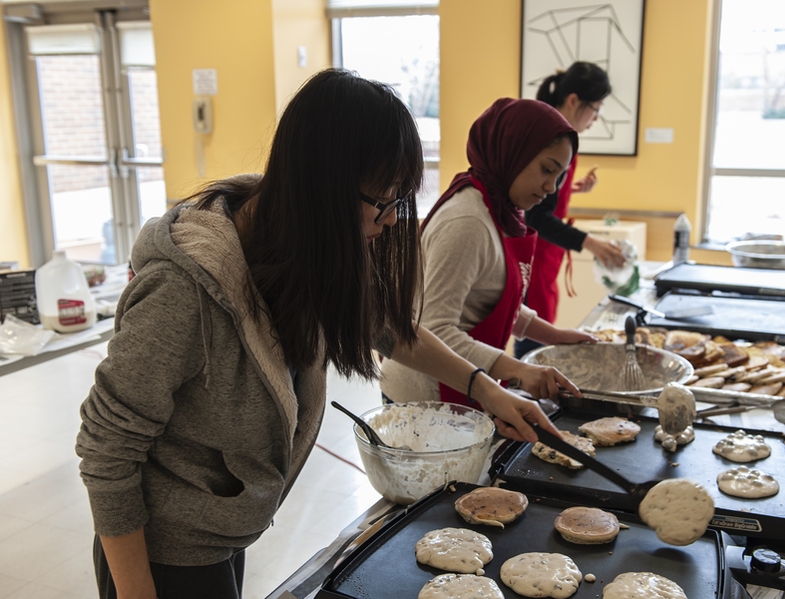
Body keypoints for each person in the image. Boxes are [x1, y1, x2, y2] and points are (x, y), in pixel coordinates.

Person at [75, 69, 572, 599]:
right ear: (323, 183)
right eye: (382, 202)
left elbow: (387, 327)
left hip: (217, 530)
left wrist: (488, 388)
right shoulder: (184, 289)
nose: (388, 222)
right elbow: (107, 449)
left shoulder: (302, 243)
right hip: (161, 549)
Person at [379, 97, 597, 406]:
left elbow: (492, 300)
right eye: (547, 170)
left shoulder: (499, 210)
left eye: (559, 177)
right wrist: (520, 370)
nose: (552, 188)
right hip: (423, 397)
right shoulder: (468, 221)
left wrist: (555, 336)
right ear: (512, 152)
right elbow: (434, 329)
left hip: (458, 387)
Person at [514, 62, 627, 359]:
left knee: (533, 336)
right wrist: (591, 243)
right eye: (596, 108)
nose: (595, 118)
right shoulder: (552, 138)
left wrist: (571, 188)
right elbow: (536, 216)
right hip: (531, 258)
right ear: (574, 100)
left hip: (544, 258)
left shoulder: (559, 138)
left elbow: (541, 199)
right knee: (531, 345)